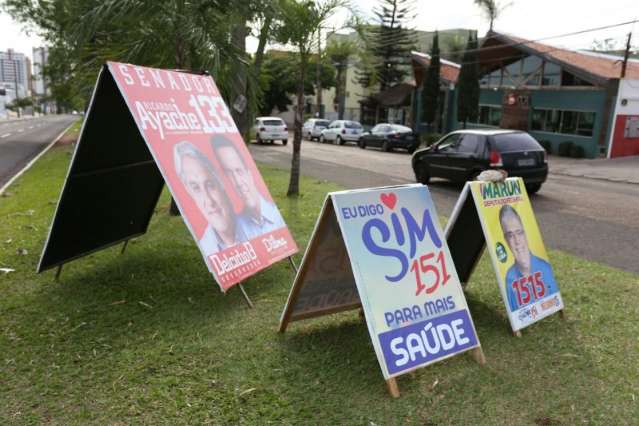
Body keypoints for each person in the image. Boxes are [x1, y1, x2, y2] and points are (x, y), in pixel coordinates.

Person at [173, 141, 248, 257]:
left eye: (210, 185)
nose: (209, 201)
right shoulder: (207, 248)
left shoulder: (259, 227)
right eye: (196, 188)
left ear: (221, 183)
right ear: (189, 192)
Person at [211, 135, 285, 237]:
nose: (238, 182)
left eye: (239, 171)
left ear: (250, 173)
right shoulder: (237, 228)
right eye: (229, 174)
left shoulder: (277, 217)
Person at [499, 205, 558, 312]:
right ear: (506, 240)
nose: (517, 241)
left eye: (519, 233)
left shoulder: (545, 268)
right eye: (510, 235)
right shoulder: (509, 277)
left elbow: (555, 301)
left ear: (525, 234)